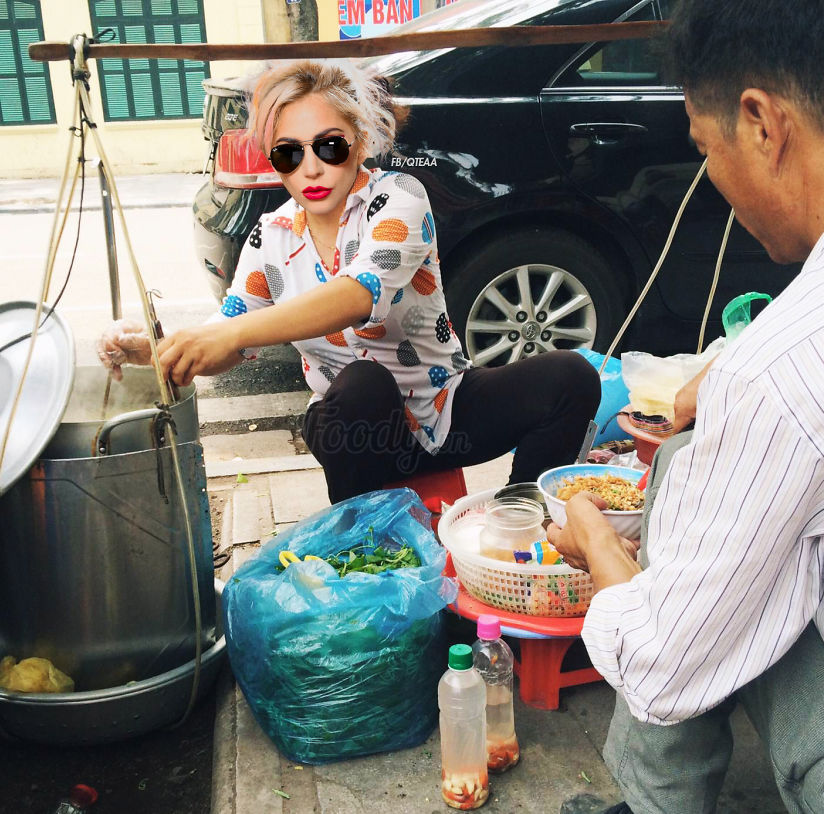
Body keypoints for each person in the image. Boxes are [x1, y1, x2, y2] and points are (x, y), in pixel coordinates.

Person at [547, 2, 824, 812]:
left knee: (680, 581)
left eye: (706, 152)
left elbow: (667, 662)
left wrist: (600, 546)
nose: (713, 180)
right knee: (688, 463)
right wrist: (736, 364)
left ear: (761, 123)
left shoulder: (778, 376)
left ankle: (656, 801)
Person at [97, 59, 600, 504]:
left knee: (570, 377)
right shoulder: (271, 236)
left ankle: (523, 513)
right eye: (288, 153)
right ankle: (362, 541)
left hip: (446, 416)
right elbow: (232, 330)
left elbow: (360, 294)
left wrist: (228, 335)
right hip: (357, 437)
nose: (311, 167)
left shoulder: (398, 196)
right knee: (360, 385)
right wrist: (160, 350)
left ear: (359, 140)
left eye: (329, 146)